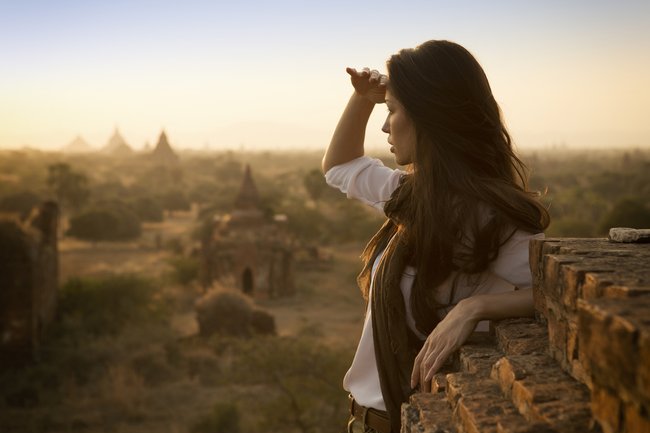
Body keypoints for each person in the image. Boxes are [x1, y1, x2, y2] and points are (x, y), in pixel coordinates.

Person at [322, 40, 550, 433]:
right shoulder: (413, 197)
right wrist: (364, 99)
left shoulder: (490, 216)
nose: (383, 124)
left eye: (392, 110)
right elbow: (339, 167)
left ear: (429, 117)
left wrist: (475, 307)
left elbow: (553, 293)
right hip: (366, 420)